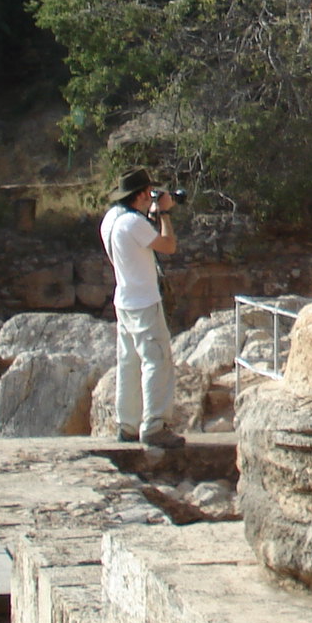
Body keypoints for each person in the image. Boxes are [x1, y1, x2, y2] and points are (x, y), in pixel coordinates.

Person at [100, 169, 186, 449]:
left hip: (123, 299)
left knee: (128, 363)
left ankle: (127, 424)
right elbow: (168, 245)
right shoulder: (133, 224)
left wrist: (152, 213)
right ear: (139, 195)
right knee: (156, 362)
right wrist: (166, 214)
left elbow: (138, 241)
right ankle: (154, 425)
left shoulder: (111, 220)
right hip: (144, 302)